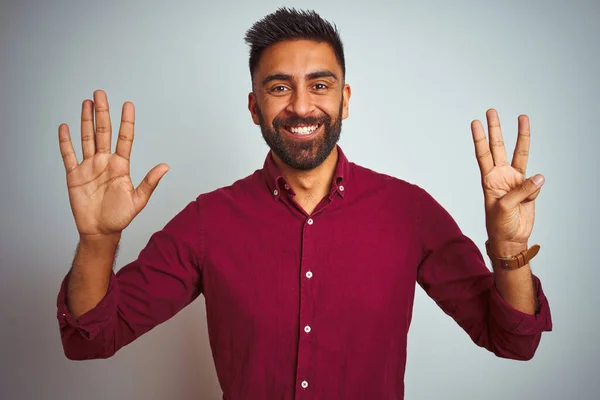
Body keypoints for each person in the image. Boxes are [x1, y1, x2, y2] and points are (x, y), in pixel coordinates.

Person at [55, 7, 552, 400]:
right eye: (278, 87)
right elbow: (89, 341)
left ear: (345, 98)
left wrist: (509, 247)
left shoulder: (410, 212)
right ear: (254, 106)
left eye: (320, 84)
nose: (300, 105)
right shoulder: (207, 221)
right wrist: (98, 241)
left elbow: (514, 341)